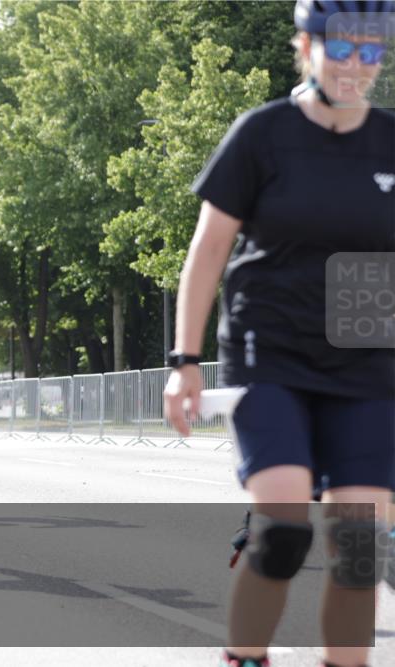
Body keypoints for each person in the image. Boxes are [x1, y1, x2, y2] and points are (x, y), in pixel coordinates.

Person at [163, 3, 394, 666]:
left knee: (359, 548)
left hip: (367, 359)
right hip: (272, 353)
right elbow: (207, 252)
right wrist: (184, 360)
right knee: (283, 531)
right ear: (306, 47)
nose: (356, 64)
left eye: (372, 51)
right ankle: (244, 656)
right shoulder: (262, 135)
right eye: (341, 47)